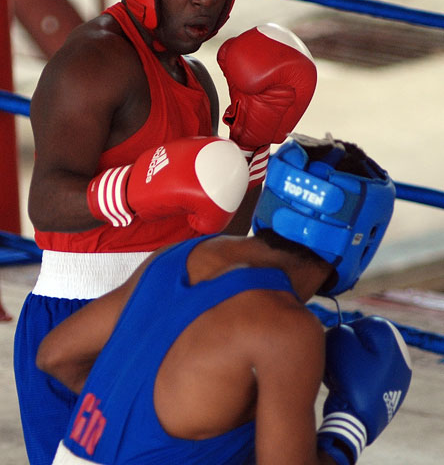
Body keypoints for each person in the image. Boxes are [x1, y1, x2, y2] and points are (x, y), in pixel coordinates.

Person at [14, 0, 317, 465]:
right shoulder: (93, 62)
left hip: (173, 303)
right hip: (81, 314)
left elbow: (219, 236)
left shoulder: (196, 79)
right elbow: (47, 203)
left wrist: (251, 147)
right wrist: (137, 187)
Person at [37, 133, 412, 465]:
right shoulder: (287, 330)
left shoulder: (182, 255)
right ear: (363, 239)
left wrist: (133, 424)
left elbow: (56, 355)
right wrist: (350, 428)